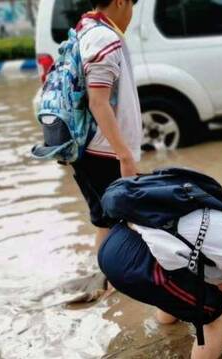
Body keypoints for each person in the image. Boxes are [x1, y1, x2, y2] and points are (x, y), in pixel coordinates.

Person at [98, 204, 222, 359]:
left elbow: (218, 286)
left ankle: (166, 328)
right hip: (135, 264)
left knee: (188, 286)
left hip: (115, 242)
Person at [71, 0, 142, 297]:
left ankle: (105, 283)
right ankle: (115, 286)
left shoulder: (85, 27)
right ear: (121, 1)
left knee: (106, 219)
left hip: (89, 148)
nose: (131, 14)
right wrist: (124, 154)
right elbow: (98, 101)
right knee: (122, 222)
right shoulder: (104, 38)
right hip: (104, 152)